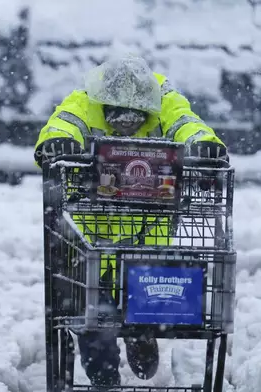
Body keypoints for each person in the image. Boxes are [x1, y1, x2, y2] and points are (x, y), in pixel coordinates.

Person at [34, 54, 228, 388]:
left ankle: (142, 335)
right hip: (91, 242)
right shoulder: (83, 102)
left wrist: (205, 143)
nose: (126, 123)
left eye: (135, 117)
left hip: (148, 241)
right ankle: (104, 379)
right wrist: (56, 143)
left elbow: (186, 122)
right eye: (117, 115)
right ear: (102, 102)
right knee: (92, 319)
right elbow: (63, 123)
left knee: (147, 303)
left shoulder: (165, 100)